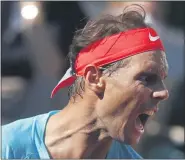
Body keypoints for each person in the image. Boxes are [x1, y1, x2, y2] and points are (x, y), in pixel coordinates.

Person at [2, 5, 169, 159]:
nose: (164, 92)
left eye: (162, 79)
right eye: (146, 78)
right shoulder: (9, 146)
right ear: (94, 78)